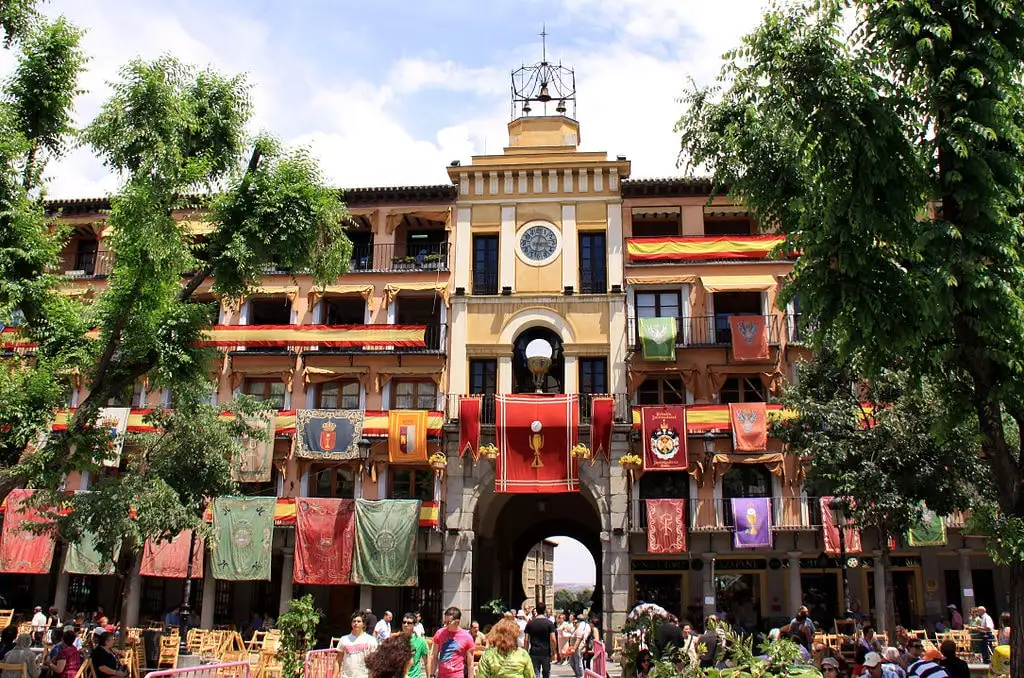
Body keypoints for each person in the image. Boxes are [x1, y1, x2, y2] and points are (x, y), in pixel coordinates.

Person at [428, 607, 475, 678]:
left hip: (457, 675)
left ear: (457, 622)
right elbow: (434, 656)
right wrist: (432, 675)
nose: (445, 625)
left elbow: (470, 664)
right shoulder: (439, 633)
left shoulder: (467, 637)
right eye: (444, 622)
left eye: (448, 623)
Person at [339, 611, 379, 678]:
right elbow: (338, 660)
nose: (356, 623)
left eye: (358, 621)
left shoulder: (371, 640)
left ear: (363, 624)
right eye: (354, 621)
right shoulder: (344, 639)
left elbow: (375, 662)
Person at [524, 602, 557, 678]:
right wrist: (554, 652)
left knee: (536, 673)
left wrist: (525, 651)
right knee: (546, 673)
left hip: (534, 652)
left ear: (536, 610)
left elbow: (526, 639)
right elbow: (553, 639)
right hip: (546, 652)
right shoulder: (549, 623)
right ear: (545, 610)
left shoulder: (530, 623)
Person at [400, 614, 428, 678]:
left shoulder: (421, 641)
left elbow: (426, 662)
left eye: (409, 623)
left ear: (414, 625)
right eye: (404, 622)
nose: (405, 625)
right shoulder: (397, 640)